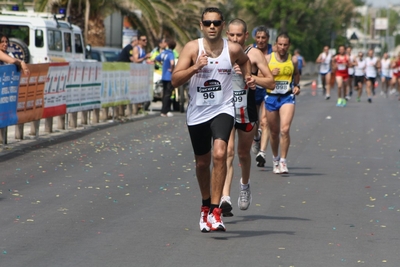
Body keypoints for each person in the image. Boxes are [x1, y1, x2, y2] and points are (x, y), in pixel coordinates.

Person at [171, 7, 255, 232]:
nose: (211, 26)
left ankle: (216, 212)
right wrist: (195, 67)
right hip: (198, 112)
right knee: (202, 163)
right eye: (207, 22)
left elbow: (245, 61)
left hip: (223, 109)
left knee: (220, 153)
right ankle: (205, 206)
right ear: (201, 25)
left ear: (222, 26)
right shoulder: (192, 48)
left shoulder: (233, 49)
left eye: (216, 23)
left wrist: (247, 78)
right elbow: (175, 80)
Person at [220, 19, 275, 217]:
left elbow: (271, 82)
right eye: (231, 35)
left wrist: (252, 79)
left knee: (243, 153)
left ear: (246, 35)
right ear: (227, 34)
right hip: (225, 108)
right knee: (227, 152)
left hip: (246, 110)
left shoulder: (253, 53)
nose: (235, 38)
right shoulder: (221, 51)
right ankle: (225, 197)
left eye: (239, 35)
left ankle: (245, 186)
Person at [265, 33, 300, 174]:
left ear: (289, 45)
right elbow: (259, 76)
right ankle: (275, 159)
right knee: (273, 132)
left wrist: (297, 85)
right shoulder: (268, 58)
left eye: (285, 44)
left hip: (287, 97)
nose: (282, 47)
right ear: (276, 44)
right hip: (271, 97)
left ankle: (283, 161)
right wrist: (270, 74)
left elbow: (296, 73)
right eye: (280, 44)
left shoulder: (294, 60)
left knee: (284, 130)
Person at [252, 26, 273, 168]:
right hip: (253, 89)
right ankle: (256, 138)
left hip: (268, 90)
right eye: (258, 37)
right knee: (253, 122)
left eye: (263, 38)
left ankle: (262, 153)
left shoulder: (274, 52)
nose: (260, 40)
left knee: (265, 122)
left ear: (268, 39)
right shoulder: (249, 50)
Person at [155, 39, 176, 117]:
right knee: (168, 94)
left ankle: (163, 110)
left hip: (163, 75)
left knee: (164, 94)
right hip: (169, 76)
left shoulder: (164, 53)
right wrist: (172, 69)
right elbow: (172, 63)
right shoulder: (171, 53)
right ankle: (165, 111)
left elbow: (156, 59)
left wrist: (162, 64)